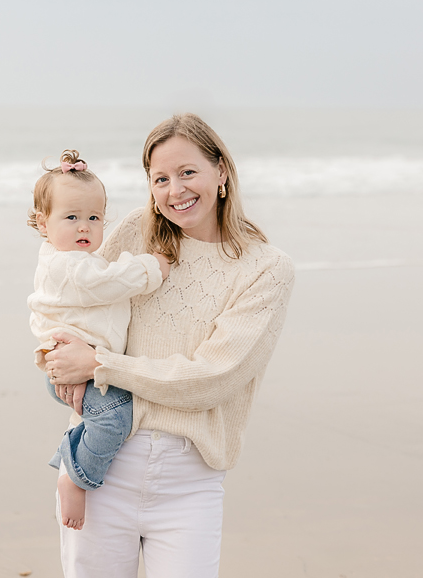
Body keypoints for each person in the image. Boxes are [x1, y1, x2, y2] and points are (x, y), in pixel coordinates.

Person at [44, 114, 295, 577]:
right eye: (160, 178)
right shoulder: (135, 233)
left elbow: (213, 378)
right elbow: (69, 294)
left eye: (187, 172)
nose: (175, 189)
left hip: (190, 483)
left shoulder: (265, 268)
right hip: (101, 465)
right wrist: (57, 358)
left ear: (221, 171)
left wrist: (100, 364)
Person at [27, 149, 171, 531]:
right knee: (115, 415)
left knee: (105, 417)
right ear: (43, 223)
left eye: (93, 218)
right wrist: (151, 266)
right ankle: (75, 479)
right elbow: (110, 283)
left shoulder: (76, 261)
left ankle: (70, 458)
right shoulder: (69, 266)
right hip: (74, 365)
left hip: (79, 363)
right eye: (71, 217)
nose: (84, 227)